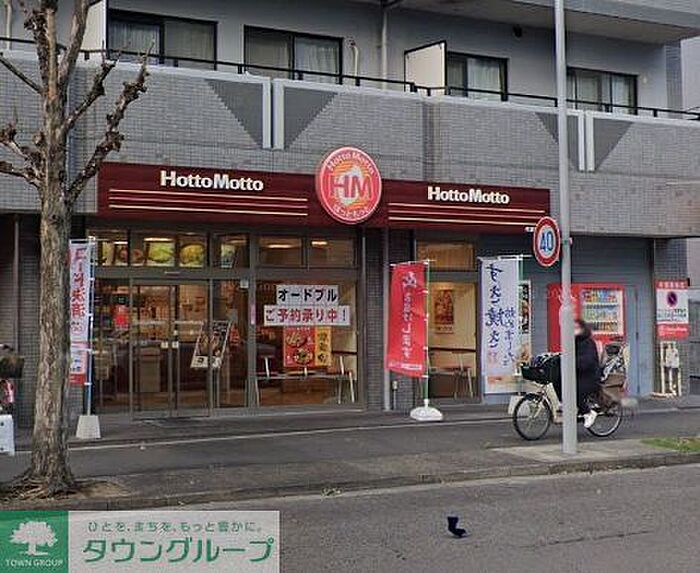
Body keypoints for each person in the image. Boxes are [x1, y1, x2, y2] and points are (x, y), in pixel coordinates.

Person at [574, 319, 602, 428]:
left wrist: (574, 363)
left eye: (576, 328)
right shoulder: (575, 341)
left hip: (590, 377)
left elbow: (588, 361)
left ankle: (588, 413)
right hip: (580, 375)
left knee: (575, 392)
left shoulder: (588, 342)